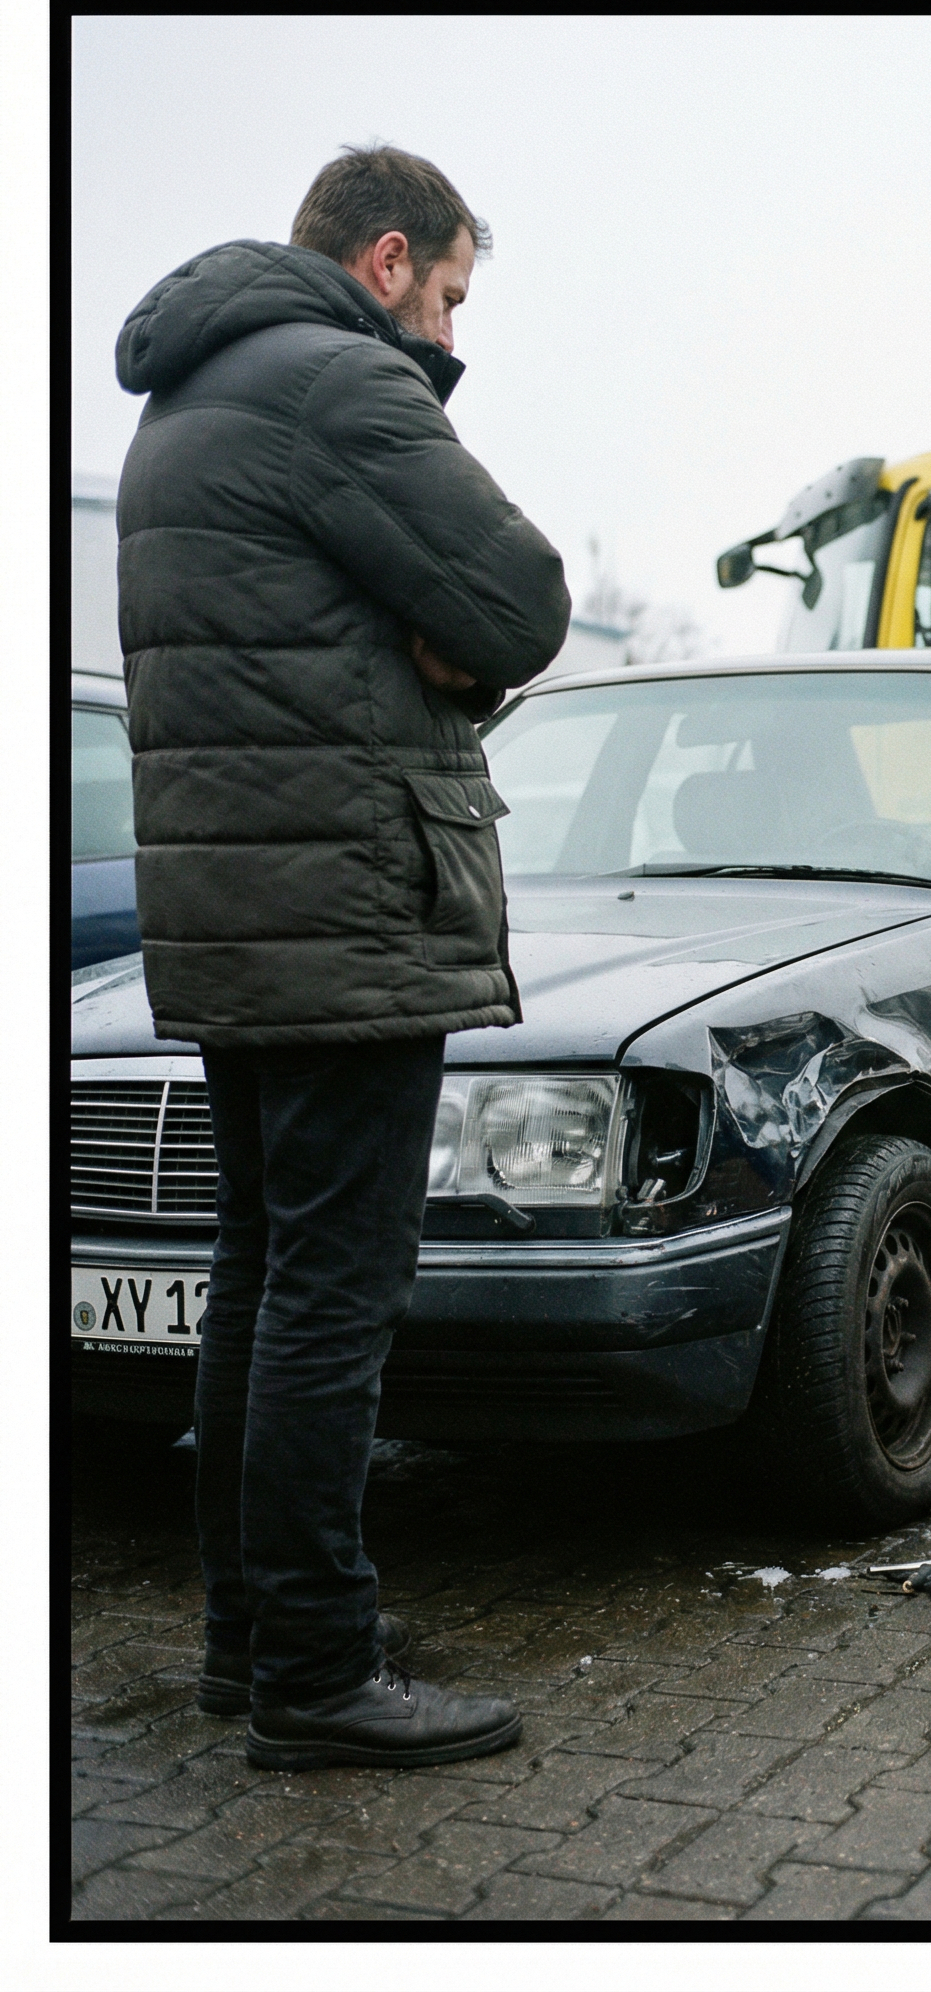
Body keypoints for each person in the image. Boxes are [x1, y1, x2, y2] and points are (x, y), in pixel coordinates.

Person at [113, 145, 570, 1769]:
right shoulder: (340, 384)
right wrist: (451, 647)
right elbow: (522, 599)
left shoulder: (184, 401)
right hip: (350, 909)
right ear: (387, 259)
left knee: (260, 1275)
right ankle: (318, 1669)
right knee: (334, 1292)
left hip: (237, 916)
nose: (450, 332)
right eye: (447, 295)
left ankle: (251, 1638)